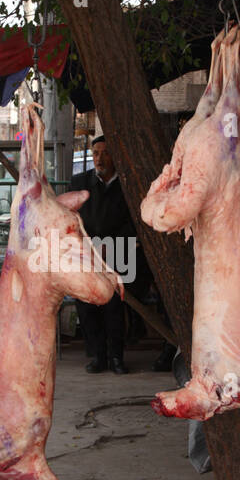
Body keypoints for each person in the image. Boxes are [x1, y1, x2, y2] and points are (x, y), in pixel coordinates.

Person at [67, 135, 147, 374]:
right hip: (87, 254)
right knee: (88, 306)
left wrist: (112, 244)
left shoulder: (126, 185)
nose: (100, 158)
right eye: (96, 153)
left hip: (117, 254)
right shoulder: (80, 182)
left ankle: (116, 358)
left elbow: (134, 221)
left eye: (105, 153)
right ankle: (98, 357)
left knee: (114, 308)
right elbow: (72, 216)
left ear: (114, 156)